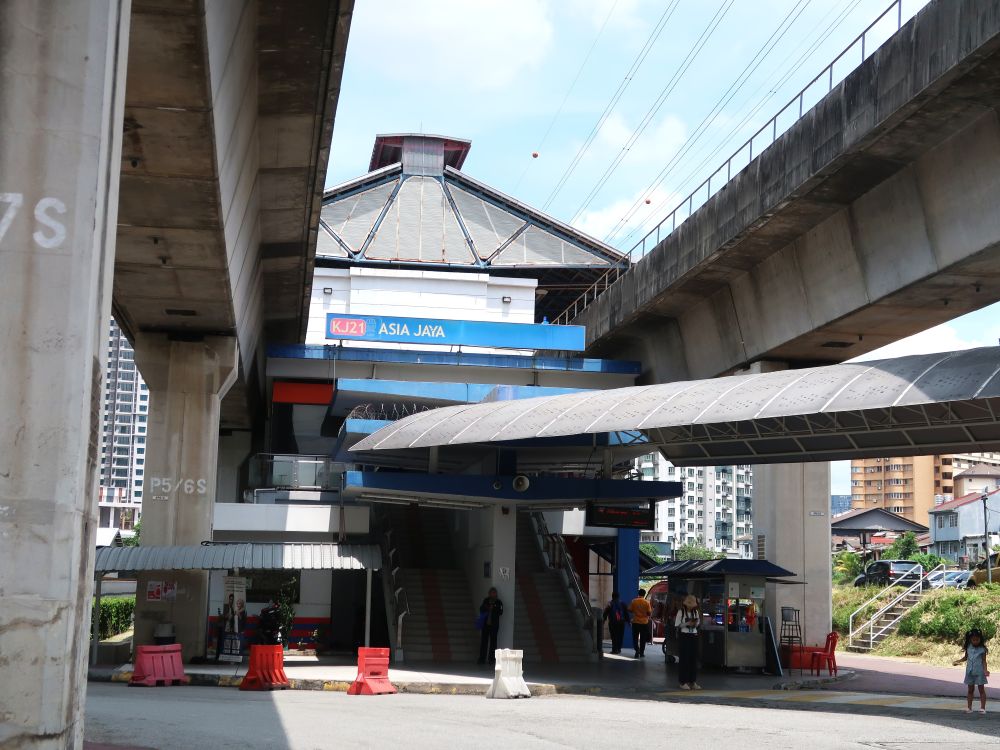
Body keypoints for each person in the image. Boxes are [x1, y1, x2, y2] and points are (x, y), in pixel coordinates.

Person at [953, 628, 990, 713]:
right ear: (970, 639)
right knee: (970, 690)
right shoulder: (968, 647)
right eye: (973, 640)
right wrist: (958, 661)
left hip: (979, 672)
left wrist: (985, 670)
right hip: (969, 672)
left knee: (981, 689)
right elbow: (965, 658)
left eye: (977, 640)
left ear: (980, 639)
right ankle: (969, 708)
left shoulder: (982, 649)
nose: (975, 641)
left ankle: (982, 708)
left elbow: (984, 661)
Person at [675, 593, 701, 690]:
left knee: (693, 659)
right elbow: (677, 625)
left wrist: (695, 624)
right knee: (684, 659)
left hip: (693, 635)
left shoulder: (696, 613)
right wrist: (687, 623)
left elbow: (698, 623)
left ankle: (692, 681)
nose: (691, 607)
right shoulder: (680, 612)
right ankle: (683, 681)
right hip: (684, 636)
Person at [477, 587, 503, 665]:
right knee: (484, 642)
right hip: (486, 625)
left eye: (494, 593)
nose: (493, 594)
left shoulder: (499, 602)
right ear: (489, 594)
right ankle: (482, 659)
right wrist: (488, 608)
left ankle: (491, 659)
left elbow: (501, 612)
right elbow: (481, 609)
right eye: (492, 593)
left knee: (493, 642)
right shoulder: (486, 600)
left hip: (494, 625)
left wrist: (494, 608)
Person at [628, 588, 652, 658]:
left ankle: (637, 650)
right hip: (644, 623)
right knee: (643, 638)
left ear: (638, 594)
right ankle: (641, 653)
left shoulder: (634, 601)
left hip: (635, 622)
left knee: (635, 638)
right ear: (644, 594)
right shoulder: (647, 602)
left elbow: (629, 609)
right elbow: (649, 613)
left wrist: (635, 612)